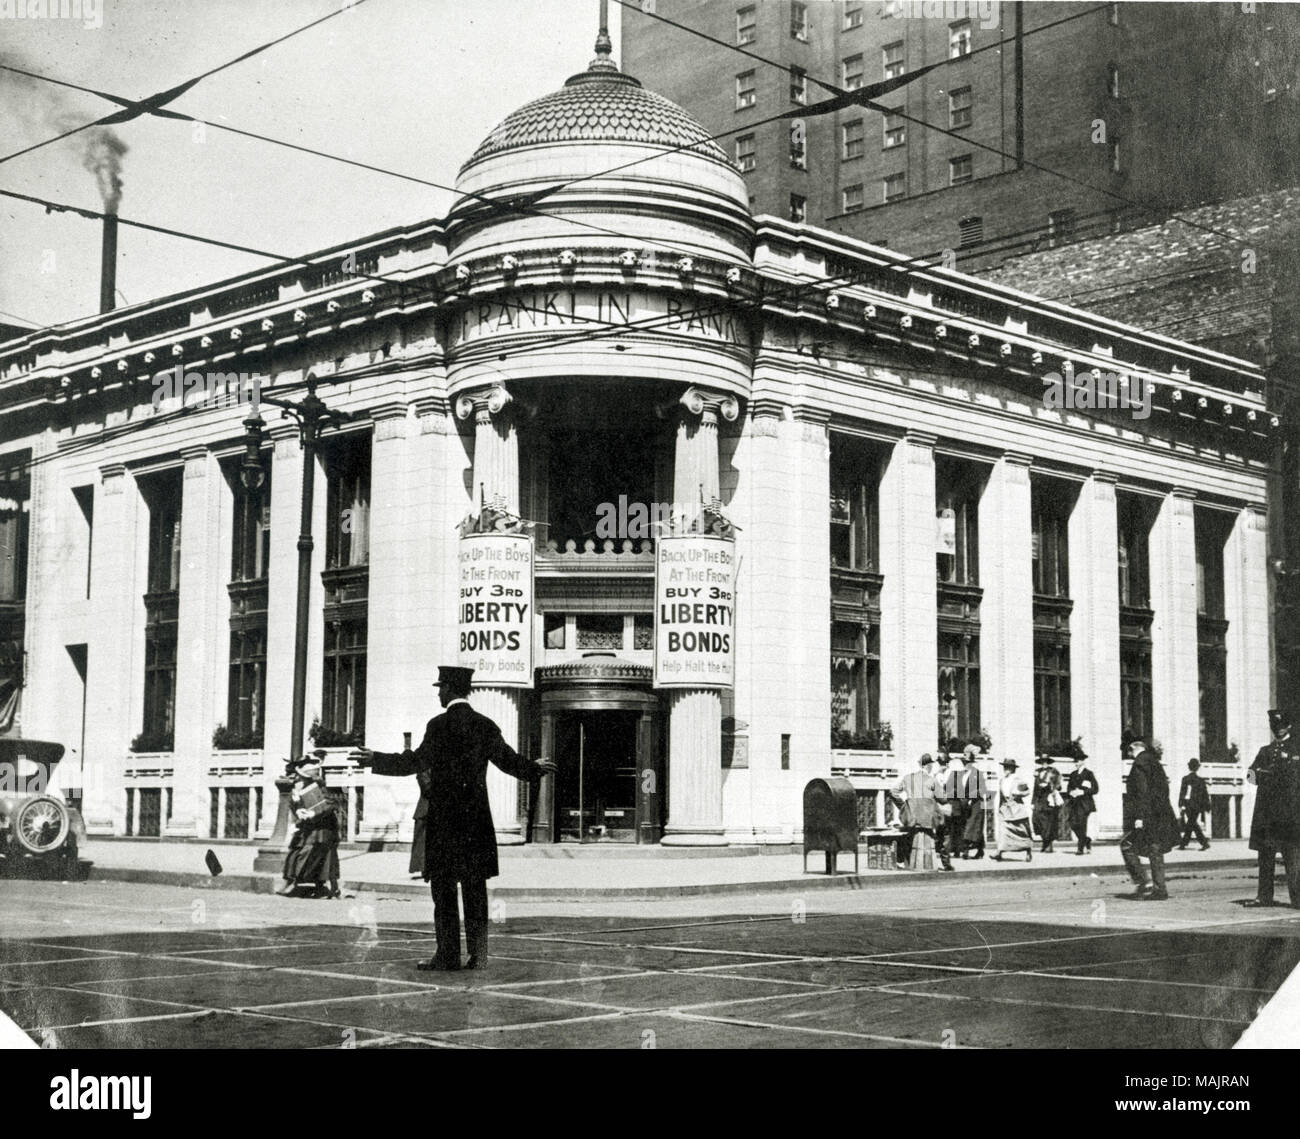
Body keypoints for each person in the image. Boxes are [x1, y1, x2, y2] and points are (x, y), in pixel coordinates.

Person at [354, 666, 555, 970]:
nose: (438, 693)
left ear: (448, 688)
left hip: (445, 823)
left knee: (444, 891)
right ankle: (478, 954)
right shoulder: (485, 724)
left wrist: (376, 759)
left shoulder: (438, 726)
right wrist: (534, 767)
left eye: (440, 688)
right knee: (476, 891)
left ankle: (447, 955)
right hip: (476, 824)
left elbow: (414, 762)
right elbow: (508, 761)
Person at [1243, 709, 1300, 909]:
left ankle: (1297, 899)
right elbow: (1250, 775)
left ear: (1289, 726)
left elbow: (1293, 778)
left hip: (1289, 814)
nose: (1278, 730)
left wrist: (1269, 774)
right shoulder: (1265, 751)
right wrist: (1259, 774)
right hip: (1266, 815)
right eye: (1275, 727)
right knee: (1265, 856)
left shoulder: (1296, 750)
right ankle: (1264, 897)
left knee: (1292, 857)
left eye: (1281, 726)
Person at [1120, 738, 1179, 901]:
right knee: (1155, 850)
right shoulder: (1155, 763)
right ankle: (1160, 889)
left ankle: (1143, 881)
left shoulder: (1139, 763)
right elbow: (1164, 789)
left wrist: (1140, 817)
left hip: (1147, 815)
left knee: (1126, 845)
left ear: (1133, 749)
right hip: (1160, 814)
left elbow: (1142, 792)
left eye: (1129, 752)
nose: (1129, 755)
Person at [277, 752, 341, 899]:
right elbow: (295, 805)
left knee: (322, 856)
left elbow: (331, 804)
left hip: (323, 828)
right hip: (307, 827)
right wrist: (298, 810)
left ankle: (324, 887)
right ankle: (292, 882)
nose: (295, 777)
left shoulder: (318, 786)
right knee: (296, 852)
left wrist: (314, 813)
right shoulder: (296, 788)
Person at [890, 754, 951, 871]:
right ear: (929, 766)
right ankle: (946, 863)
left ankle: (901, 860)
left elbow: (892, 792)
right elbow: (943, 800)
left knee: (906, 832)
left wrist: (903, 806)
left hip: (911, 818)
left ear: (919, 764)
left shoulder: (907, 778)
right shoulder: (932, 780)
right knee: (945, 833)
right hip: (929, 819)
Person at [994, 758, 1033, 862]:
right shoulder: (1002, 780)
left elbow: (1027, 791)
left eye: (1007, 767)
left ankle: (1028, 850)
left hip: (1017, 809)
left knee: (1021, 831)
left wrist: (1018, 794)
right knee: (1003, 830)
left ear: (1012, 769)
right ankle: (999, 852)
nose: (1005, 769)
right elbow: (1001, 795)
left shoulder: (1018, 780)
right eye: (1004, 767)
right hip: (1005, 809)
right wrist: (999, 807)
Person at [1065, 749, 1100, 854]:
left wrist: (1083, 792)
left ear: (1083, 761)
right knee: (1072, 823)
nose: (1076, 762)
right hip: (1074, 803)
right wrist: (1071, 792)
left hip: (1085, 804)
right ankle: (1086, 840)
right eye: (1075, 761)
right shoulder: (1072, 774)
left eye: (1078, 760)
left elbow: (1095, 789)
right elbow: (1069, 788)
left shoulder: (1089, 774)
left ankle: (1080, 848)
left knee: (1081, 824)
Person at [959, 744, 990, 859]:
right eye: (964, 762)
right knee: (971, 826)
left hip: (976, 803)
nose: (966, 765)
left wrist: (972, 799)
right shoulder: (963, 774)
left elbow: (982, 790)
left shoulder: (977, 774)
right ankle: (980, 850)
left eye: (967, 763)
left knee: (972, 826)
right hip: (965, 803)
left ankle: (966, 850)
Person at [1177, 758, 1212, 851]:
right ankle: (1185, 844)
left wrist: (1181, 804)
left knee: (1191, 823)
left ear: (1189, 767)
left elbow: (1182, 793)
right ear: (1197, 767)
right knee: (1191, 823)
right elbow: (1205, 794)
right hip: (1197, 806)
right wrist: (1207, 806)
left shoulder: (1185, 779)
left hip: (1188, 804)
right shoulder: (1200, 780)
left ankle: (1188, 844)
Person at [1032, 754, 1064, 853]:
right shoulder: (1038, 773)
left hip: (1049, 800)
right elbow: (1035, 788)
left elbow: (1059, 786)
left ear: (1048, 762)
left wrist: (1049, 785)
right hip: (1039, 800)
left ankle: (1048, 844)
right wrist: (1032, 802)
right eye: (1042, 762)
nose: (1044, 763)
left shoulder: (1054, 772)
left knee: (1048, 823)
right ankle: (1045, 841)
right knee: (1036, 820)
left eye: (1046, 761)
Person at [931, 751, 955, 870]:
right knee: (945, 836)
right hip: (945, 807)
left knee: (939, 835)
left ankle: (940, 861)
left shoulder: (935, 775)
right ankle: (946, 863)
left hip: (937, 808)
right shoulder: (949, 775)